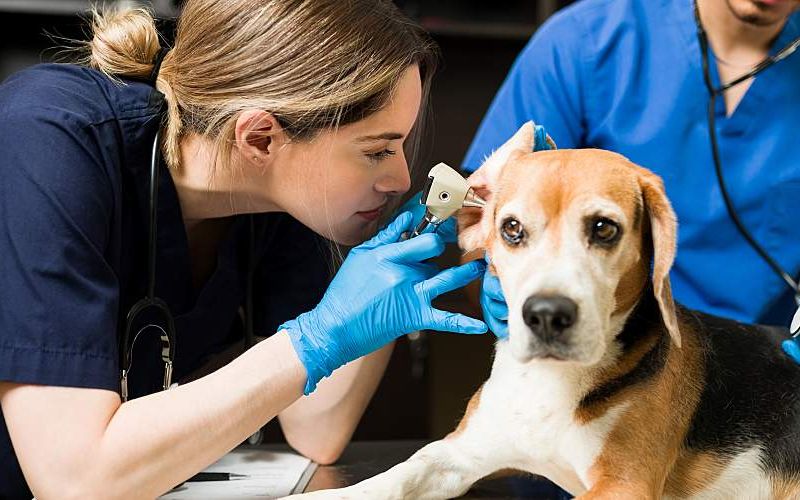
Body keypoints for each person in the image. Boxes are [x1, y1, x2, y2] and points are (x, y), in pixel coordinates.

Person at [0, 1, 489, 497]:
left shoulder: (276, 196)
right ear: (259, 138)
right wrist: (317, 338)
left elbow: (316, 427)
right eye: (376, 151)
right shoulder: (47, 140)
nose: (401, 178)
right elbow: (75, 480)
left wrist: (390, 273)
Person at [467, 0, 800, 341]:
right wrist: (491, 277)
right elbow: (479, 218)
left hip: (768, 351)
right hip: (601, 339)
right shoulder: (585, 42)